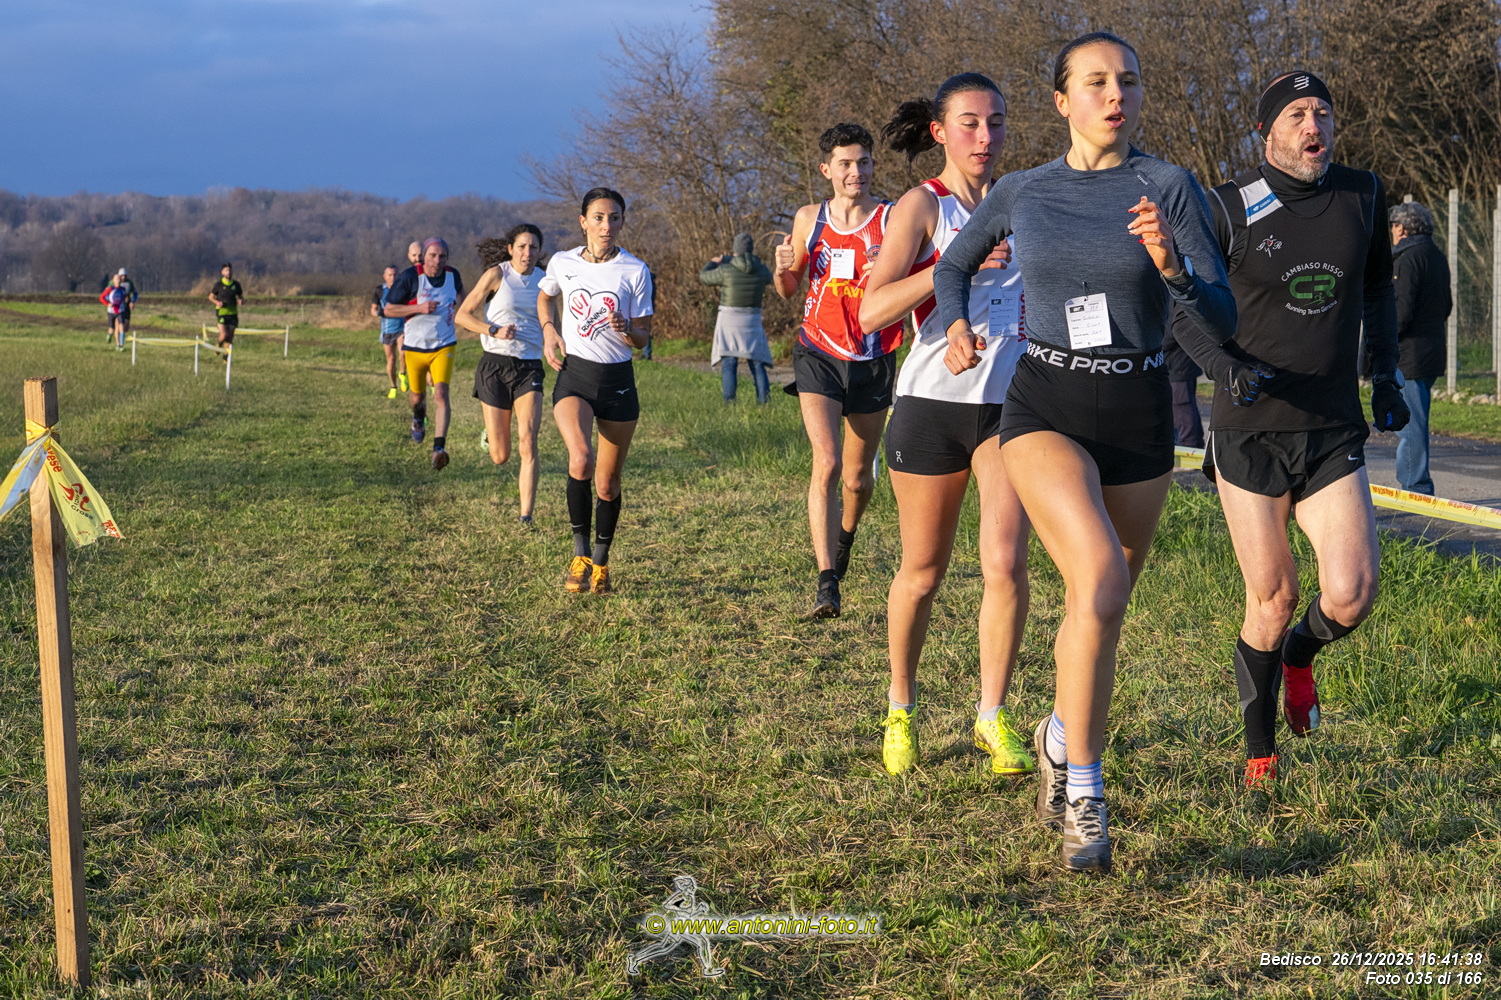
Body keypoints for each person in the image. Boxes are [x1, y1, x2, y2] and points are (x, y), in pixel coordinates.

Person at [933, 32, 1236, 873]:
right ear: (1062, 101)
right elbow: (952, 267)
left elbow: (1221, 316)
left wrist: (1172, 267)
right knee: (1097, 579)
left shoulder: (1168, 187)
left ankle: (1058, 735)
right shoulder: (1024, 190)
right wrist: (955, 325)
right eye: (1096, 82)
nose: (1115, 95)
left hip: (1139, 410)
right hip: (1045, 404)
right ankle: (1085, 793)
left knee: (1101, 609)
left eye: (1128, 81)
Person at [1171, 71, 1409, 789]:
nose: (1314, 126)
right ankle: (1260, 756)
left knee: (1351, 593)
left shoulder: (1362, 194)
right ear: (1266, 130)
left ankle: (1300, 658)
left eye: (1324, 113)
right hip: (1249, 429)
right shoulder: (1226, 205)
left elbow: (1376, 287)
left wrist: (1386, 373)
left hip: (1330, 425)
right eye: (1298, 114)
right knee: (1271, 600)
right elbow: (1183, 308)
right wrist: (1224, 369)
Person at [859, 73, 1034, 778]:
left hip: (1010, 407)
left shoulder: (1023, 201)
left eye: (996, 122)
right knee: (923, 571)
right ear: (939, 132)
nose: (985, 138)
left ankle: (992, 714)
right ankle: (900, 707)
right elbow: (872, 311)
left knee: (1006, 563)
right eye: (969, 123)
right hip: (931, 405)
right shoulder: (922, 206)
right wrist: (949, 266)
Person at [773, 122, 904, 619]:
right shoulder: (810, 218)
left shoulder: (893, 218)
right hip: (818, 353)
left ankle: (845, 533)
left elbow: (913, 282)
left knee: (856, 479)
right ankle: (827, 581)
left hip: (873, 357)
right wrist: (783, 266)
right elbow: (789, 289)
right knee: (826, 462)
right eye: (846, 164)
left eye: (864, 162)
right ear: (826, 169)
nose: (856, 172)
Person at [537, 188, 653, 594]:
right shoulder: (562, 262)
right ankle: (580, 556)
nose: (607, 226)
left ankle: (601, 564)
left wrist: (629, 330)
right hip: (576, 377)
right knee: (581, 459)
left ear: (622, 222)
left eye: (615, 218)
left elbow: (643, 337)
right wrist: (549, 330)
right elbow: (545, 296)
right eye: (599, 218)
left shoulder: (635, 270)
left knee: (607, 484)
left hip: (618, 382)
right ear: (583, 221)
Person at [456, 223, 549, 525]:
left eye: (533, 247)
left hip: (529, 366)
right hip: (494, 366)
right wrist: (492, 329)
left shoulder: (545, 280)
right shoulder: (497, 275)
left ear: (539, 251)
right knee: (500, 456)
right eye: (521, 246)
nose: (527, 252)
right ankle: (491, 431)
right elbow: (462, 316)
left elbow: (553, 323)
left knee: (528, 441)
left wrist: (560, 347)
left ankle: (526, 516)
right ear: (510, 249)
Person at [384, 238, 466, 470]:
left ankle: (439, 448)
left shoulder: (453, 275)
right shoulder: (411, 277)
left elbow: (464, 299)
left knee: (441, 393)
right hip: (414, 347)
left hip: (444, 345)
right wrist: (418, 308)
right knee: (416, 398)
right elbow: (388, 310)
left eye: (442, 256)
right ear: (424, 256)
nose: (437, 261)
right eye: (433, 256)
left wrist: (466, 314)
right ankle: (418, 417)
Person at [1387, 200, 1451, 495]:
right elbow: (1446, 305)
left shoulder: (1406, 259)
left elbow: (1400, 312)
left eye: (1393, 226)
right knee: (1415, 419)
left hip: (1409, 354)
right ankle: (1416, 481)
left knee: (1410, 424)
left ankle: (1416, 486)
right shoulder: (1436, 256)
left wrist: (1382, 343)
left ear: (1401, 228)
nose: (1391, 232)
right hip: (1431, 349)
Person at [700, 233, 774, 403]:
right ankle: (764, 400)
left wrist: (714, 262)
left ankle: (730, 401)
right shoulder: (762, 270)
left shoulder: (726, 270)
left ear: (735, 250)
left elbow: (704, 277)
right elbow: (771, 278)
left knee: (729, 361)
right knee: (757, 362)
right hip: (752, 319)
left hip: (729, 320)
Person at [1162, 326, 1204, 447]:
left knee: (1182, 415)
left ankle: (1189, 450)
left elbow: (1167, 336)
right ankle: (1196, 448)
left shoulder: (1173, 313)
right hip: (1182, 366)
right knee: (1187, 411)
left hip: (1178, 368)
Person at [371, 265, 407, 398]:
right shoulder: (379, 290)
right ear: (385, 276)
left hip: (402, 328)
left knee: (403, 353)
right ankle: (393, 387)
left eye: (395, 275)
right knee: (391, 360)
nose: (393, 278)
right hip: (387, 330)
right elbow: (373, 309)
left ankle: (402, 374)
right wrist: (379, 313)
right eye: (390, 275)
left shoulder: (404, 288)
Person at [207, 263, 245, 355]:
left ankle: (226, 357)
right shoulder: (218, 285)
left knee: (230, 337)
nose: (228, 272)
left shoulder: (236, 284)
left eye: (230, 270)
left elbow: (240, 296)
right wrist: (217, 302)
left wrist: (241, 300)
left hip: (233, 313)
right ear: (222, 272)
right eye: (226, 270)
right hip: (222, 312)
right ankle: (218, 346)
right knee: (224, 335)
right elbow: (210, 297)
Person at [99, 271, 134, 350]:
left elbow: (124, 296)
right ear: (113, 280)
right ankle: (109, 334)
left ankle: (120, 345)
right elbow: (101, 298)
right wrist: (108, 304)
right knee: (112, 329)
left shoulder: (123, 289)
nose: (119, 280)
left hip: (120, 310)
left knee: (121, 327)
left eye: (119, 279)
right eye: (117, 279)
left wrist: (126, 300)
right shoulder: (109, 289)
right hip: (111, 311)